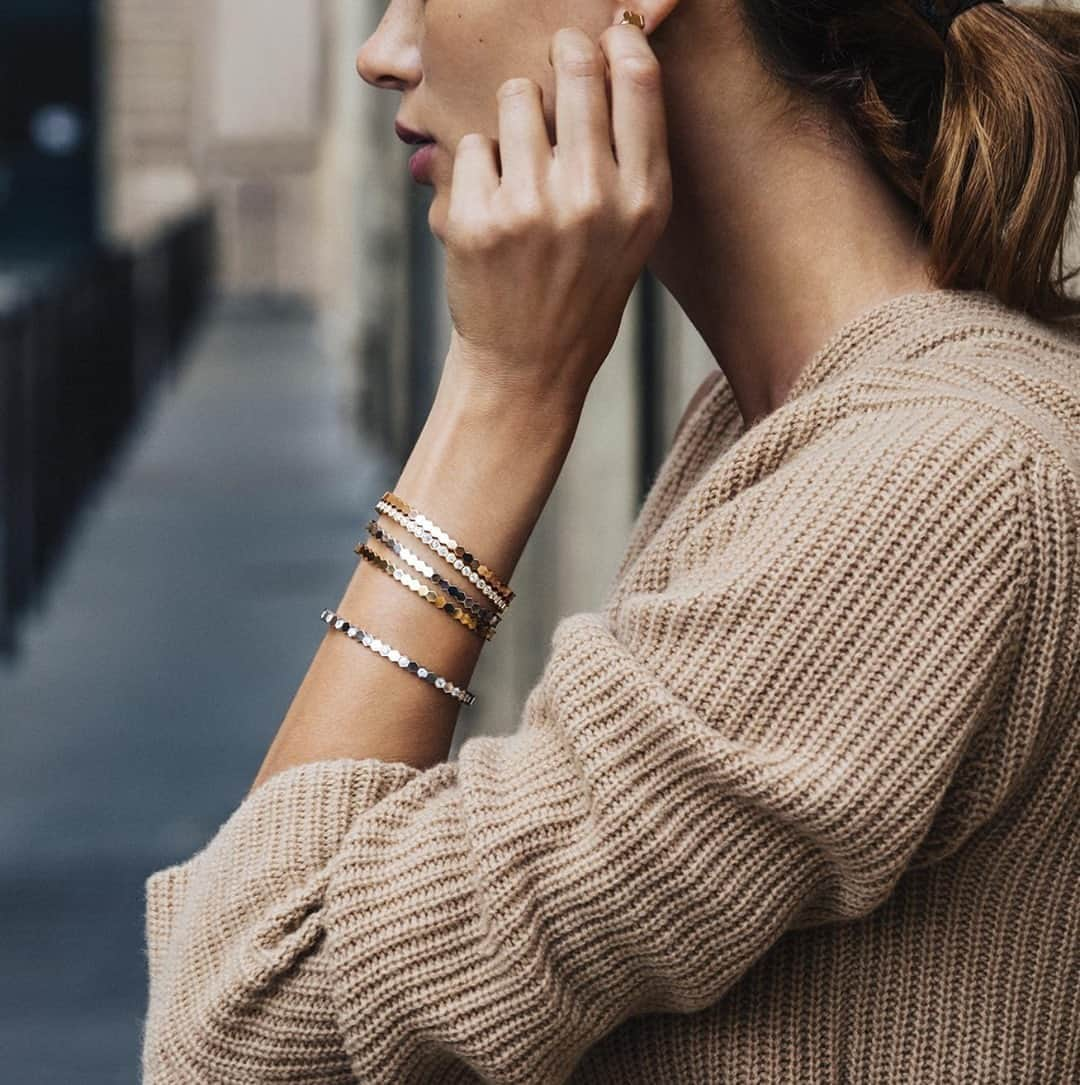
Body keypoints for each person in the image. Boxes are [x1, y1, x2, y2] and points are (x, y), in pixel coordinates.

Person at [141, 2, 1080, 1082]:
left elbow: (243, 1028)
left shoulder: (927, 488)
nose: (382, 53)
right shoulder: (796, 427)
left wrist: (500, 393)